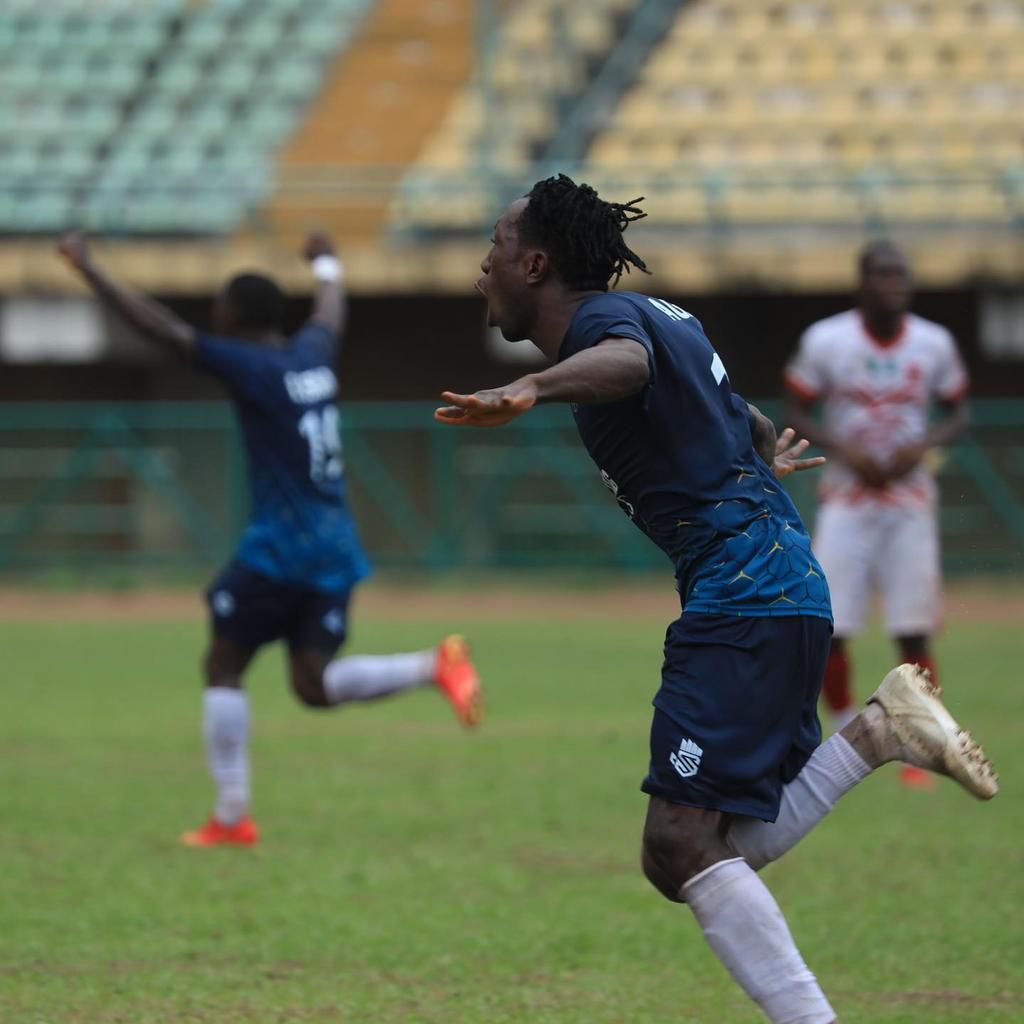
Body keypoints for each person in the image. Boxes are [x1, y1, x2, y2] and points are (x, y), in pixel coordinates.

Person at [433, 175, 996, 1024]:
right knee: (692, 850)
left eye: (494, 254)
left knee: (679, 845)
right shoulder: (671, 316)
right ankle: (878, 732)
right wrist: (759, 458)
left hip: (744, 594)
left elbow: (629, 366)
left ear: (537, 262)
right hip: (778, 584)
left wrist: (531, 390)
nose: (484, 271)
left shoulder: (605, 329)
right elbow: (744, 413)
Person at [58, 232, 482, 848]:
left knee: (223, 663)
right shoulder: (312, 353)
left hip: (283, 547)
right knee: (312, 683)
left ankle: (233, 817)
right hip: (336, 544)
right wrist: (328, 263)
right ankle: (433, 666)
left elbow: (163, 330)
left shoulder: (249, 363)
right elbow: (331, 310)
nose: (214, 317)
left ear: (235, 316)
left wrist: (91, 269)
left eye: (221, 307)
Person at [784, 240, 969, 789]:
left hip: (910, 499)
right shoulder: (826, 339)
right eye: (883, 275)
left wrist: (924, 446)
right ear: (861, 282)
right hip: (847, 497)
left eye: (901, 276)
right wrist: (843, 447)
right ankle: (844, 730)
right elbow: (796, 403)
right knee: (830, 623)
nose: (894, 285)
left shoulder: (934, 343)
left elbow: (958, 411)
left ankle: (921, 746)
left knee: (913, 628)